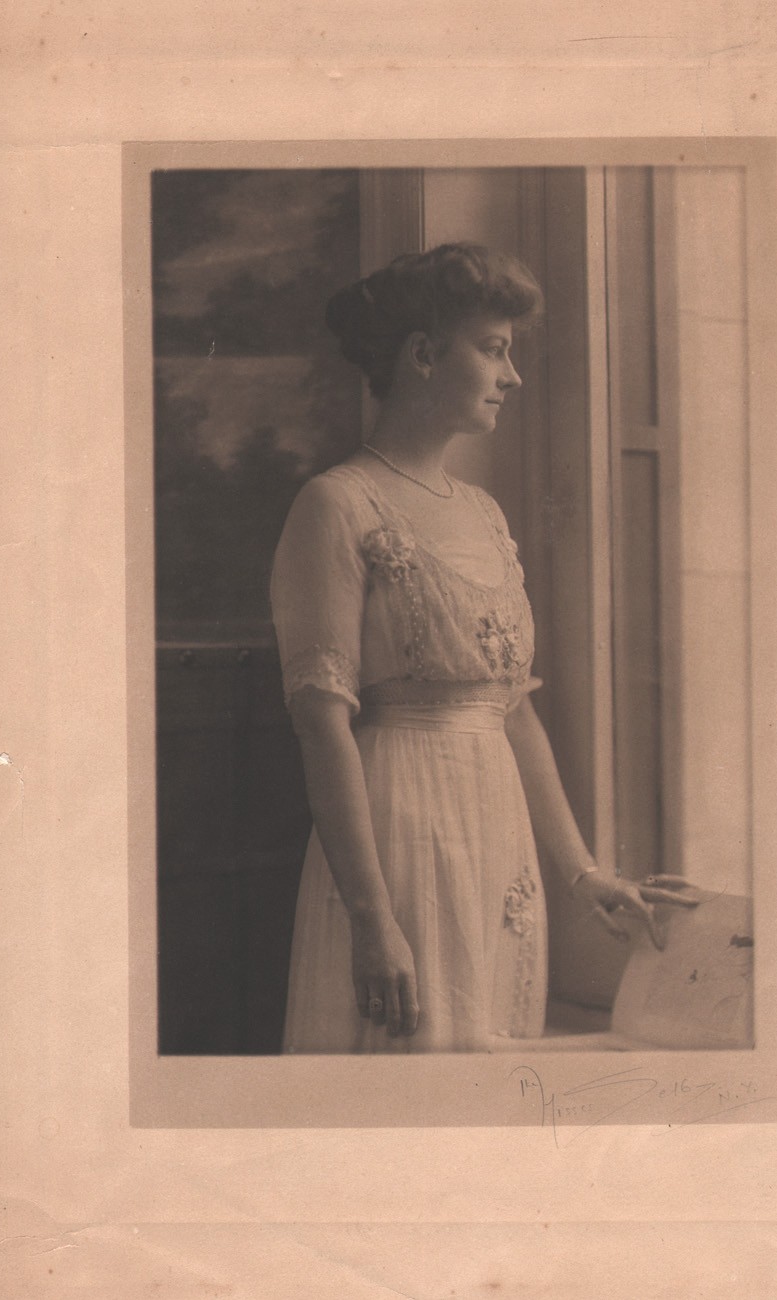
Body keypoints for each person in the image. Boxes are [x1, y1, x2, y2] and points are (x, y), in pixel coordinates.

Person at [270, 242, 694, 1053]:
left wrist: (580, 873)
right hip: (397, 841)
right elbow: (321, 725)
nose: (512, 376)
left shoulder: (484, 514)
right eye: (493, 350)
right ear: (424, 356)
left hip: (496, 842)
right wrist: (372, 919)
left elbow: (511, 715)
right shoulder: (335, 506)